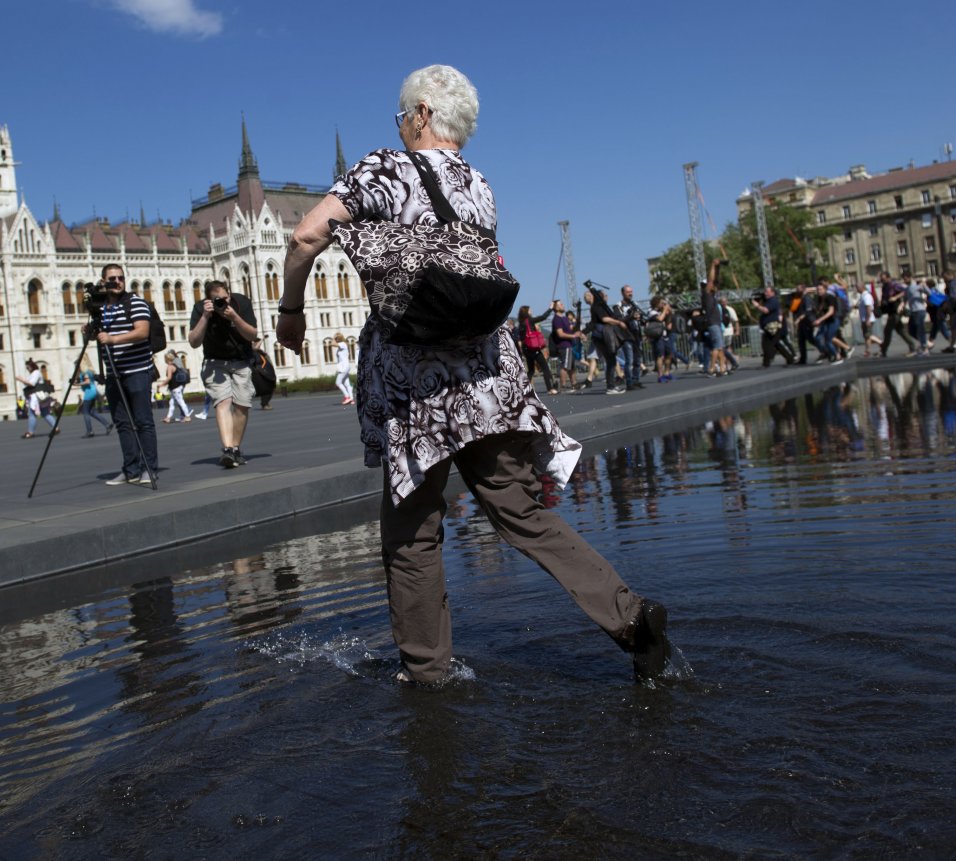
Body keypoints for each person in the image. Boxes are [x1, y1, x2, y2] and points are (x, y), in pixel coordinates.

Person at [276, 64, 672, 685]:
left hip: (417, 387)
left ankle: (428, 676)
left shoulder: (384, 167)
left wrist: (291, 310)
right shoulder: (478, 184)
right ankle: (630, 616)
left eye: (403, 115)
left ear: (424, 113)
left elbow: (305, 236)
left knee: (412, 531)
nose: (401, 126)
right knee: (520, 512)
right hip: (489, 378)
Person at [89, 264, 158, 485]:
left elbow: (142, 332)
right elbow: (100, 336)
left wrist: (113, 339)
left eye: (120, 278)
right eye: (112, 279)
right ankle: (131, 470)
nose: (117, 282)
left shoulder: (136, 303)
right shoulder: (100, 309)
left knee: (143, 421)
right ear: (103, 282)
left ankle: (149, 468)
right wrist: (91, 333)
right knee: (123, 423)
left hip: (137, 370)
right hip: (113, 373)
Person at [188, 279, 258, 469]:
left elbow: (252, 335)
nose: (222, 303)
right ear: (208, 300)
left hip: (240, 361)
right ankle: (228, 449)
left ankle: (235, 448)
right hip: (214, 361)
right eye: (217, 300)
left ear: (230, 294)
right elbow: (193, 342)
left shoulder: (241, 303)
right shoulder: (200, 309)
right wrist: (205, 316)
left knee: (242, 405)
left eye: (225, 298)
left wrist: (234, 317)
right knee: (223, 402)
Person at [585, 286, 629, 394]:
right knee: (610, 360)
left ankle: (611, 385)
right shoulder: (598, 307)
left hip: (600, 337)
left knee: (611, 360)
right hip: (602, 336)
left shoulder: (598, 307)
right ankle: (610, 386)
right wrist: (618, 322)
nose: (606, 297)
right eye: (604, 295)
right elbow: (604, 319)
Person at [517, 304, 557, 394]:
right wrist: (550, 308)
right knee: (545, 367)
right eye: (530, 310)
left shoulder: (521, 323)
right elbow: (543, 317)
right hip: (533, 348)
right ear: (526, 312)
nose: (531, 311)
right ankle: (550, 388)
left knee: (531, 370)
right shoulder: (529, 320)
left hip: (526, 348)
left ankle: (524, 389)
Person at [751, 285, 794, 367]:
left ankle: (766, 362)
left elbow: (766, 310)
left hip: (773, 327)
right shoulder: (768, 300)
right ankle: (789, 358)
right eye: (765, 291)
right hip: (768, 326)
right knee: (776, 344)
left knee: (767, 345)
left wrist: (757, 305)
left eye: (767, 292)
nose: (765, 293)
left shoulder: (773, 301)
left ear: (772, 293)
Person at [17, 358, 59, 439]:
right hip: (36, 397)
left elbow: (32, 384)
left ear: (32, 367)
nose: (27, 369)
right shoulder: (33, 374)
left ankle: (30, 432)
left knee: (32, 414)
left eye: (28, 367)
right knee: (45, 413)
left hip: (37, 398)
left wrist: (21, 379)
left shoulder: (36, 373)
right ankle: (56, 428)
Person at [550, 299, 585, 392]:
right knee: (565, 366)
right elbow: (560, 334)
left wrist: (578, 330)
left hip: (569, 345)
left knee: (571, 366)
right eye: (560, 304)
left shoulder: (565, 318)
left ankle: (574, 383)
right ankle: (563, 385)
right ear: (556, 308)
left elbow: (571, 329)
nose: (563, 305)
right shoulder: (556, 320)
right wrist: (573, 335)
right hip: (563, 345)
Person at [701, 259, 729, 376]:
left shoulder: (711, 295)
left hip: (716, 323)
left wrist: (718, 267)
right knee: (717, 347)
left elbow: (715, 280)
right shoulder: (706, 295)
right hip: (713, 323)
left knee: (720, 347)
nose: (714, 286)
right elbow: (712, 280)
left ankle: (722, 368)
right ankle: (711, 369)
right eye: (711, 284)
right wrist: (712, 265)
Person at [616, 285, 645, 389]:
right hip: (626, 336)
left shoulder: (635, 304)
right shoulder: (618, 305)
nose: (630, 293)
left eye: (631, 291)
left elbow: (641, 318)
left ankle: (636, 380)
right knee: (629, 360)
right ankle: (629, 383)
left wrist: (641, 318)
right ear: (623, 293)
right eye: (628, 292)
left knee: (638, 359)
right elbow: (618, 320)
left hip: (637, 334)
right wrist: (630, 316)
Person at [76, 361, 112, 437]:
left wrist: (77, 384)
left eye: (78, 366)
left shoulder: (84, 372)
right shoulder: (89, 372)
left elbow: (87, 381)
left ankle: (90, 431)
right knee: (92, 412)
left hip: (89, 394)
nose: (77, 368)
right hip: (93, 392)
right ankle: (107, 424)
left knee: (85, 412)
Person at [158, 350, 193, 423]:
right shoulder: (174, 365)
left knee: (180, 401)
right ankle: (168, 418)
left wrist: (162, 384)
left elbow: (169, 377)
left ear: (167, 359)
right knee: (172, 402)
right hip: (176, 386)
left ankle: (187, 416)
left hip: (175, 387)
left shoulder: (170, 366)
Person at [647, 295, 674, 382]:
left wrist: (669, 312)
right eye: (661, 303)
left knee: (669, 354)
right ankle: (660, 375)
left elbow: (668, 324)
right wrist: (665, 310)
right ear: (656, 303)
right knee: (660, 356)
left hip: (665, 335)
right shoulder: (651, 312)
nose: (663, 304)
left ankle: (667, 373)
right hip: (657, 336)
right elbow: (660, 319)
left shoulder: (662, 311)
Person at [251, 338, 277, 410]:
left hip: (266, 374)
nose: (259, 344)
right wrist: (261, 340)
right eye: (255, 343)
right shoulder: (253, 352)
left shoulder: (260, 352)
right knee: (264, 389)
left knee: (269, 388)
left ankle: (265, 403)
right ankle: (265, 404)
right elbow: (254, 352)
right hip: (260, 375)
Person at [333, 332, 354, 404]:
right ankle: (351, 399)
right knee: (346, 383)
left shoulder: (342, 344)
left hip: (344, 367)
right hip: (344, 366)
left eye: (336, 339)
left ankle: (347, 397)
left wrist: (333, 337)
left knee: (338, 383)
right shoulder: (343, 345)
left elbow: (333, 344)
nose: (335, 340)